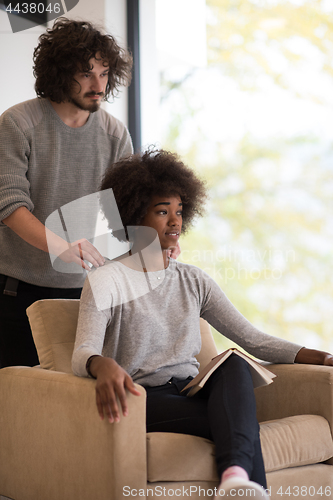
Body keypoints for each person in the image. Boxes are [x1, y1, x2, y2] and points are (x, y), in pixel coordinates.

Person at [72, 149, 333, 499]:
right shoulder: (106, 279)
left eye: (179, 212)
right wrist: (103, 366)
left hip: (191, 390)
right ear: (132, 216)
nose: (175, 222)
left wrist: (314, 355)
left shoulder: (193, 280)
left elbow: (251, 338)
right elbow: (83, 351)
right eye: (162, 212)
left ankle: (235, 482)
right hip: (144, 398)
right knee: (239, 423)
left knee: (235, 364)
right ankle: (240, 478)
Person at [0, 18, 134, 369]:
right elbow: (9, 205)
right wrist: (62, 246)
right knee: (15, 406)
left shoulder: (114, 133)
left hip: (84, 294)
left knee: (69, 409)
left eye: (104, 74)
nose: (98, 85)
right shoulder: (18, 123)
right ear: (60, 73)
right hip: (16, 291)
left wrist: (157, 239)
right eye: (86, 73)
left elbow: (128, 208)